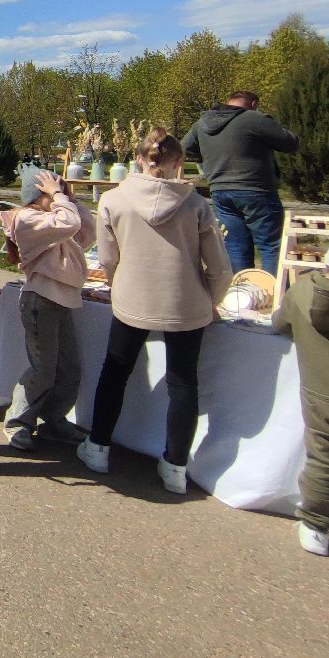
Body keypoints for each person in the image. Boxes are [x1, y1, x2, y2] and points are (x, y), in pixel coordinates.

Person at [78, 127, 232, 494]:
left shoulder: (113, 200)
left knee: (115, 372)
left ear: (138, 160)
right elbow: (219, 266)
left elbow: (108, 258)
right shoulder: (196, 205)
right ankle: (176, 465)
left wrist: (118, 284)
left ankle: (98, 446)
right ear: (179, 163)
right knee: (183, 382)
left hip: (132, 297)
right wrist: (211, 299)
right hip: (186, 300)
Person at [272, 226, 329, 568]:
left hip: (319, 397)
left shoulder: (302, 290)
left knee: (322, 461)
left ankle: (314, 527)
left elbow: (280, 323)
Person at [0, 166, 96, 451]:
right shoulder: (27, 220)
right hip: (40, 301)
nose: (59, 194)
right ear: (38, 194)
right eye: (53, 190)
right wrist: (60, 198)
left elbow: (87, 232)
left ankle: (54, 420)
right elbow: (69, 224)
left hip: (63, 300)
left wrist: (69, 199)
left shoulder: (54, 217)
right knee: (43, 369)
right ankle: (17, 422)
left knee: (69, 369)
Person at [183, 90, 300, 275]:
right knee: (271, 245)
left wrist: (207, 156)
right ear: (253, 104)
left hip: (220, 190)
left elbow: (184, 148)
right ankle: (272, 290)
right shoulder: (254, 119)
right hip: (256, 189)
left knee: (235, 246)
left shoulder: (202, 123)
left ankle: (242, 290)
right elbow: (290, 142)